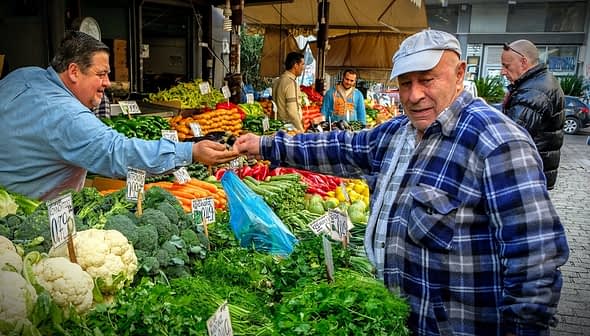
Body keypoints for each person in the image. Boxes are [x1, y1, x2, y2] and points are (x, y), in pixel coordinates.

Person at [234, 29, 569, 335]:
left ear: (459, 75)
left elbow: (534, 257)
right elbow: (341, 147)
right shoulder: (399, 133)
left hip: (458, 326)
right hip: (403, 320)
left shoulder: (497, 142)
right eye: (405, 83)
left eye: (427, 80)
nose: (414, 95)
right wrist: (264, 145)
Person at [0, 31, 238, 201]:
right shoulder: (66, 115)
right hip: (28, 215)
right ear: (73, 71)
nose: (107, 83)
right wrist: (191, 151)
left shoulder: (23, 76)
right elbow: (118, 152)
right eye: (101, 74)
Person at [500, 39, 565, 190]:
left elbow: (510, 138)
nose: (502, 71)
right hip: (532, 174)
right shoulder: (538, 83)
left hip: (525, 177)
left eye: (506, 66)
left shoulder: (534, 91)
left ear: (523, 62)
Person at [272, 51, 305, 132]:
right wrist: (301, 130)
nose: (303, 67)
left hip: (277, 125)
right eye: (302, 64)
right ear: (295, 65)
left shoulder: (277, 81)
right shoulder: (290, 83)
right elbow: (292, 111)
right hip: (287, 128)